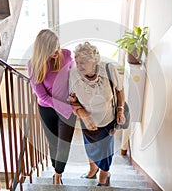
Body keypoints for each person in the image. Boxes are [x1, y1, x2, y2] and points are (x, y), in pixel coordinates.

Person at [69, 42, 126, 186]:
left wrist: (120, 109)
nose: (78, 66)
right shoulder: (74, 74)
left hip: (108, 119)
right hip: (87, 121)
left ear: (94, 61)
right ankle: (93, 169)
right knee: (90, 146)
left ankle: (104, 174)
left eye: (82, 62)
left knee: (105, 150)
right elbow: (72, 100)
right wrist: (83, 114)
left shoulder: (108, 70)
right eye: (77, 62)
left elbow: (119, 90)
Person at [28, 29, 77, 185]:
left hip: (68, 108)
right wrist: (65, 108)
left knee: (64, 145)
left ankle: (58, 173)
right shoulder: (33, 65)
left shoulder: (67, 55)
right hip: (47, 109)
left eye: (58, 46)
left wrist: (74, 98)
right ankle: (57, 172)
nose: (57, 51)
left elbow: (75, 79)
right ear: (43, 50)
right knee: (54, 143)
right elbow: (42, 96)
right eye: (52, 49)